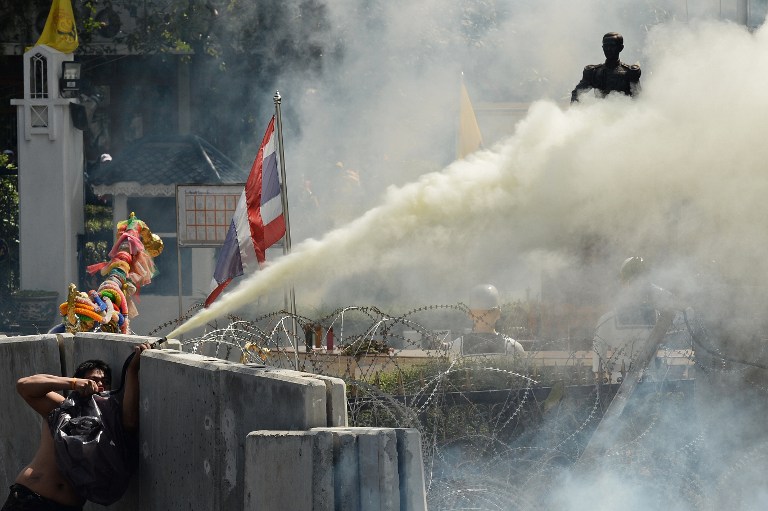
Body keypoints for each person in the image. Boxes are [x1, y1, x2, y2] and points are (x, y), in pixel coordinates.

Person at [2, 343, 151, 511]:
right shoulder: (62, 408)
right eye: (94, 380)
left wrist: (132, 371)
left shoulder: (110, 421)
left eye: (106, 382)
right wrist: (72, 383)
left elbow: (130, 423)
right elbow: (24, 385)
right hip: (29, 499)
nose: (100, 384)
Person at [450, 284, 525, 357]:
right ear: (498, 313)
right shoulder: (514, 347)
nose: (484, 316)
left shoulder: (455, 348)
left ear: (470, 314)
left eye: (488, 312)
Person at [571, 32, 641, 103]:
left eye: (612, 46)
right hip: (599, 112)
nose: (608, 49)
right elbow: (577, 93)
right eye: (605, 46)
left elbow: (638, 98)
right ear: (602, 47)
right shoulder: (593, 72)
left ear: (620, 48)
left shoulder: (629, 72)